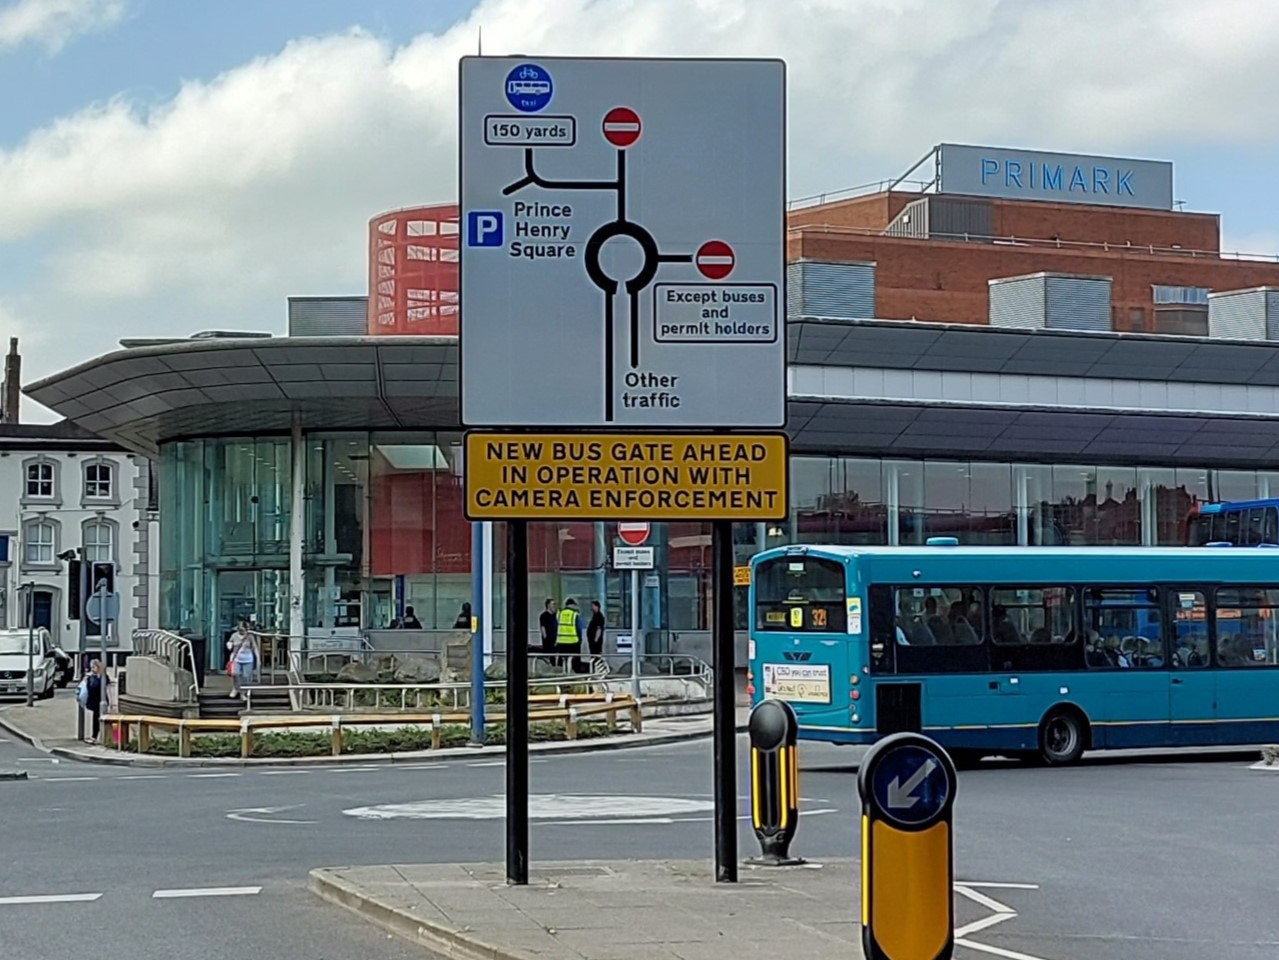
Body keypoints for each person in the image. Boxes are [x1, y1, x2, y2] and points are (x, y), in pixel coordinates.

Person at [226, 621, 260, 699]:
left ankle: (243, 692)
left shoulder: (250, 637)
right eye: (240, 630)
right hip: (237, 658)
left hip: (248, 659)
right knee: (235, 674)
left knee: (246, 676)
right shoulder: (234, 636)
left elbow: (254, 647)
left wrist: (258, 658)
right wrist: (229, 645)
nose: (242, 632)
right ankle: (235, 688)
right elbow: (230, 643)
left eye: (243, 630)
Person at [556, 598, 584, 669]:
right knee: (575, 661)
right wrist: (580, 639)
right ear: (572, 605)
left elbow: (555, 626)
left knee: (562, 660)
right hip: (573, 641)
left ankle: (561, 674)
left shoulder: (559, 614)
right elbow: (579, 628)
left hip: (561, 641)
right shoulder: (575, 614)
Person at [82, 659, 104, 744]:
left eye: (94, 667)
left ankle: (96, 737)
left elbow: (97, 686)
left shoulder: (102, 677)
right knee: (95, 719)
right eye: (91, 667)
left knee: (98, 720)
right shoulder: (91, 677)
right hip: (95, 702)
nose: (92, 669)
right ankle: (94, 736)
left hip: (100, 701)